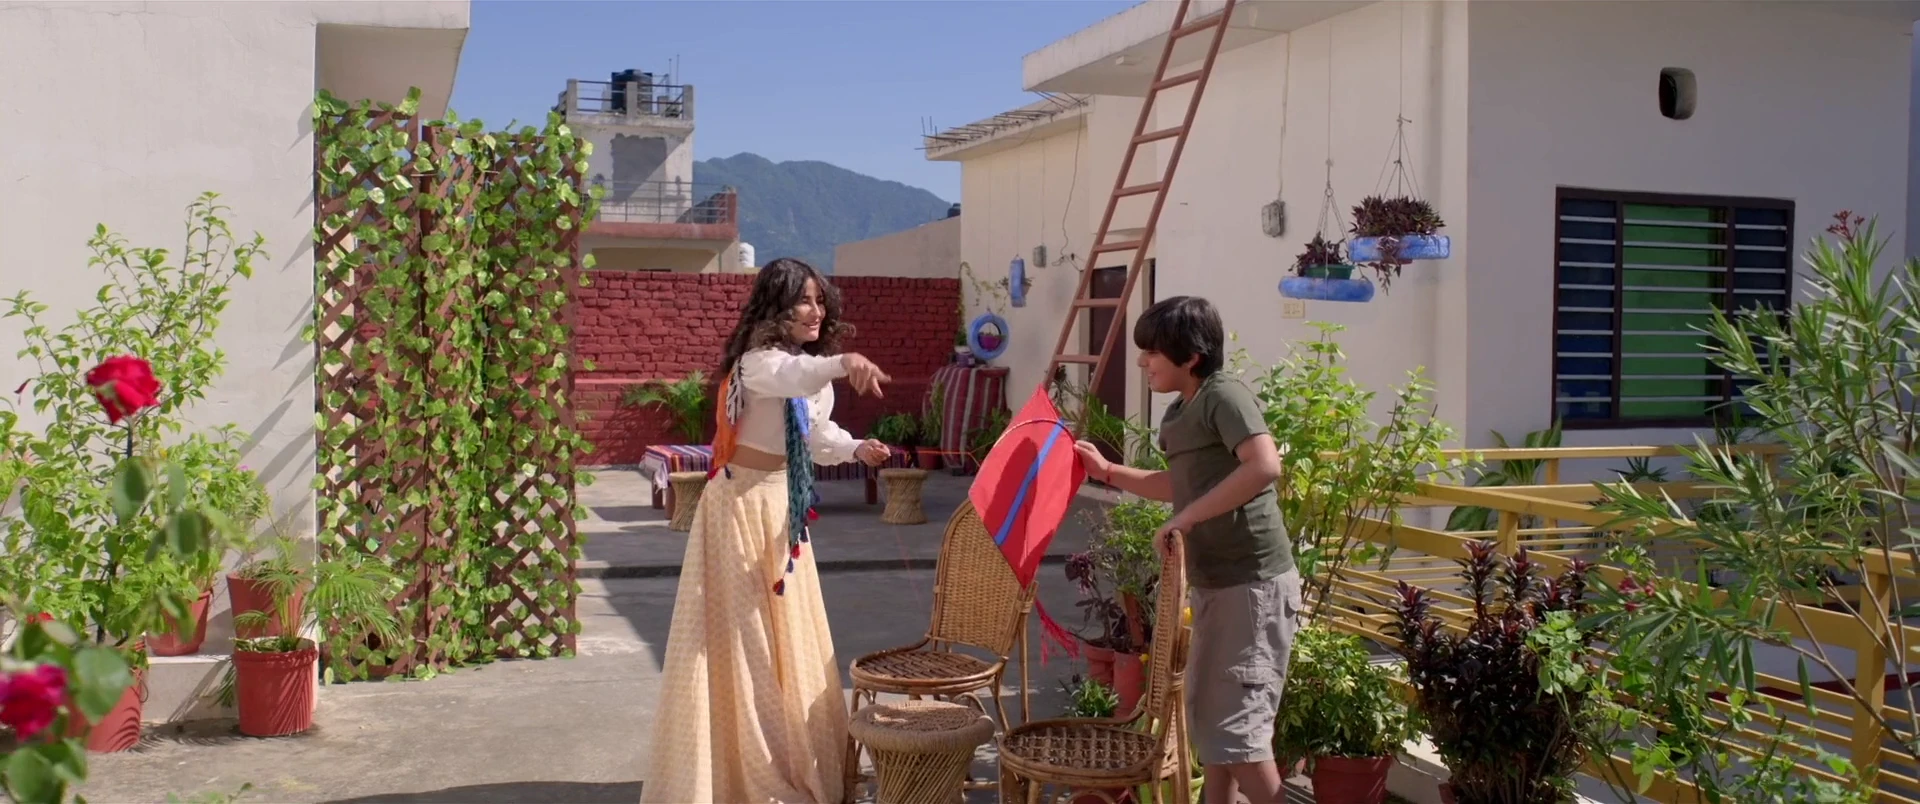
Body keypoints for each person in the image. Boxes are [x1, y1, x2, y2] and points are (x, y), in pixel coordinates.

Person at [641, 257, 893, 804]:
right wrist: (845, 361)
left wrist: (857, 449)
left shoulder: (809, 372)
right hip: (737, 507)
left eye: (820, 300)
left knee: (788, 640)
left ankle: (789, 760)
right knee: (744, 643)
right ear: (777, 307)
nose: (815, 310)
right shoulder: (759, 363)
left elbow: (816, 438)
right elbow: (791, 377)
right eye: (803, 300)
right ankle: (738, 773)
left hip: (782, 509)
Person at [1070, 296, 1297, 804]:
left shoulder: (1224, 396)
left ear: (1191, 356)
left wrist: (1186, 518)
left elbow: (1264, 465)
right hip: (1218, 583)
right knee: (1214, 728)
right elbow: (1182, 484)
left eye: (1152, 352)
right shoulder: (1181, 411)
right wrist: (1107, 472)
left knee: (1238, 735)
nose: (1142, 362)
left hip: (1253, 585)